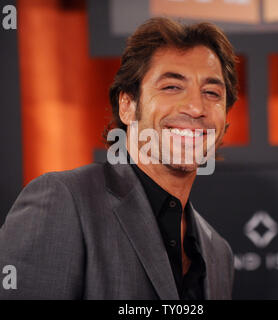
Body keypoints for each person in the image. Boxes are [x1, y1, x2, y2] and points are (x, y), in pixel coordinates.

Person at [0, 17, 238, 300]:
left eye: (212, 93)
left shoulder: (218, 253)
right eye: (172, 87)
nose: (196, 107)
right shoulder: (64, 202)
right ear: (127, 106)